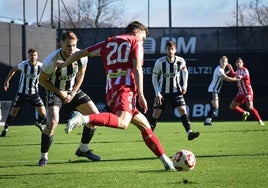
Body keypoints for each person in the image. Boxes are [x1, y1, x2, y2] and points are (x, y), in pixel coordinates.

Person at [57, 21, 175, 170]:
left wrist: (65, 63)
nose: (143, 42)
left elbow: (83, 52)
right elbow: (137, 68)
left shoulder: (109, 42)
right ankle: (82, 118)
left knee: (145, 126)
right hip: (124, 89)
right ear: (137, 32)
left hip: (111, 90)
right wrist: (141, 94)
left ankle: (167, 163)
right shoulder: (135, 42)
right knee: (123, 123)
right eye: (143, 38)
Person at [37, 31, 101, 166]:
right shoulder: (51, 60)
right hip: (54, 91)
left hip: (72, 91)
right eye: (68, 46)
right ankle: (44, 157)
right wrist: (60, 93)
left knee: (95, 116)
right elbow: (42, 80)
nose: (71, 49)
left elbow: (81, 75)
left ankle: (83, 149)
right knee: (52, 122)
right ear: (61, 44)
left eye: (74, 45)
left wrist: (73, 93)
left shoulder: (82, 55)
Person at [148, 40, 199, 140]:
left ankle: (189, 133)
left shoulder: (180, 61)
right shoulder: (160, 62)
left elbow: (185, 71)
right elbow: (154, 77)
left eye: (172, 49)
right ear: (165, 50)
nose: (170, 51)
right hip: (162, 93)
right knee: (156, 113)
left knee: (183, 110)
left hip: (176, 91)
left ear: (175, 50)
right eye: (168, 49)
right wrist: (157, 92)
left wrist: (185, 85)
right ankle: (148, 135)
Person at [1, 48, 46, 137]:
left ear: (37, 56)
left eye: (35, 55)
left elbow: (47, 75)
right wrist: (7, 81)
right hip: (22, 93)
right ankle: (5, 128)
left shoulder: (41, 66)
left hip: (34, 94)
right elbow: (13, 70)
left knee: (43, 113)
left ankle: (39, 123)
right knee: (13, 112)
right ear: (28, 56)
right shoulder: (24, 64)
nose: (33, 57)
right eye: (31, 55)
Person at [204, 56, 240, 126]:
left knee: (215, 106)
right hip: (213, 90)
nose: (224, 63)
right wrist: (235, 79)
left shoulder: (221, 69)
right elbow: (225, 78)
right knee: (216, 106)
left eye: (225, 61)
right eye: (222, 61)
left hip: (215, 90)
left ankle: (207, 121)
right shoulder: (219, 69)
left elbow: (223, 76)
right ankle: (207, 121)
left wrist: (229, 71)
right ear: (219, 62)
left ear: (227, 63)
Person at [228, 57, 265, 125]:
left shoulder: (244, 70)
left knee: (250, 107)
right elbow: (233, 75)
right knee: (232, 107)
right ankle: (244, 113)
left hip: (248, 92)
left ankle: (260, 121)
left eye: (240, 62)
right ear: (235, 64)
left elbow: (246, 77)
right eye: (237, 62)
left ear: (242, 63)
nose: (238, 64)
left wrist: (242, 77)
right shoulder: (237, 71)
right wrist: (231, 69)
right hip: (241, 93)